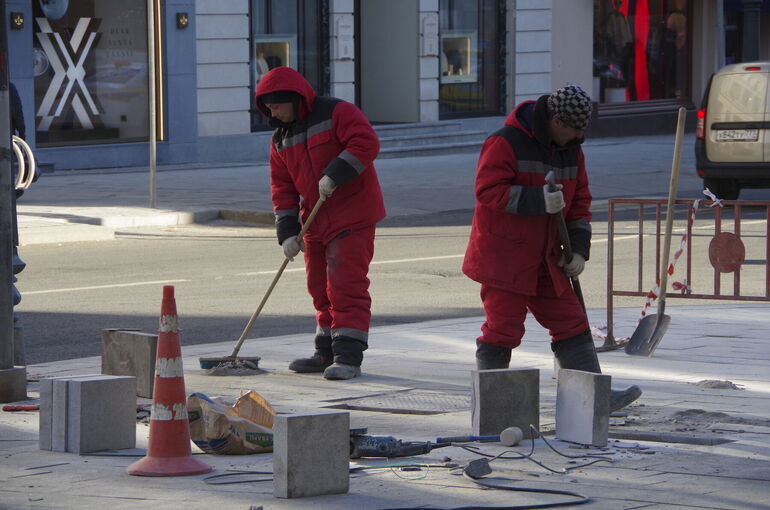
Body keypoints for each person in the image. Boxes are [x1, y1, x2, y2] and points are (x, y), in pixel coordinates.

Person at [462, 84, 641, 412]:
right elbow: (487, 191)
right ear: (557, 121)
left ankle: (594, 398)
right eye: (575, 129)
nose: (579, 136)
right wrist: (538, 200)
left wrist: (579, 250)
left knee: (572, 321)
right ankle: (490, 405)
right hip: (505, 258)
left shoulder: (572, 148)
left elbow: (580, 202)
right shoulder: (505, 142)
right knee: (503, 329)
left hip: (547, 257)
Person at [255, 66, 385, 381]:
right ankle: (325, 351)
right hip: (314, 220)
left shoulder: (336, 112)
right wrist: (287, 233)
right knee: (318, 287)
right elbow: (282, 187)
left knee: (345, 285)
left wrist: (336, 174)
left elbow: (365, 142)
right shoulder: (280, 139)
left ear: (293, 99)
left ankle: (348, 357)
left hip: (351, 214)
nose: (273, 113)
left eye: (276, 106)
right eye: (268, 108)